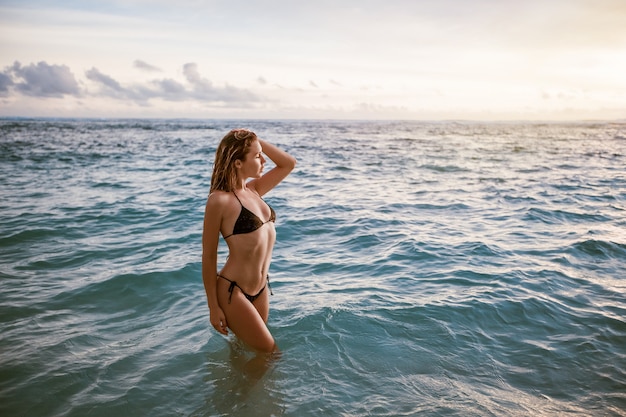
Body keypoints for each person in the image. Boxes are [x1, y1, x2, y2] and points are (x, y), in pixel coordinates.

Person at [202, 129, 296, 354]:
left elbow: (289, 164)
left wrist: (252, 139)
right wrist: (213, 308)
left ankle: (231, 389)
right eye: (257, 156)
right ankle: (242, 390)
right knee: (270, 354)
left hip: (261, 288)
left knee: (243, 350)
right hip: (233, 291)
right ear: (237, 163)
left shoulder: (254, 190)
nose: (263, 160)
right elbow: (209, 256)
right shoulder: (219, 201)